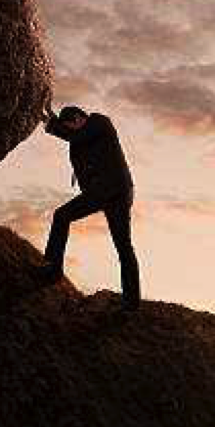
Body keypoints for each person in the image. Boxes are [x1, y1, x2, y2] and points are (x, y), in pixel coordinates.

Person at [39, 102, 140, 311]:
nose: (70, 131)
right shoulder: (80, 137)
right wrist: (51, 118)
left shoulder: (100, 122)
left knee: (122, 246)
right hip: (103, 192)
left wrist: (51, 125)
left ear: (79, 118)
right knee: (63, 217)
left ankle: (131, 302)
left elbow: (75, 136)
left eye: (70, 125)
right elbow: (73, 137)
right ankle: (53, 269)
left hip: (115, 190)